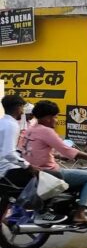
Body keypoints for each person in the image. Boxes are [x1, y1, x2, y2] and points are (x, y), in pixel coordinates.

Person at [22, 100, 87, 224]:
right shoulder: (47, 131)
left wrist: (58, 156)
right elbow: (68, 150)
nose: (56, 120)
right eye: (55, 117)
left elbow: (33, 150)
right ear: (47, 118)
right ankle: (80, 213)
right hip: (49, 173)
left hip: (34, 171)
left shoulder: (30, 129)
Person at [0, 95, 65, 225]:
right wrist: (27, 166)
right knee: (54, 176)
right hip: (8, 169)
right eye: (22, 108)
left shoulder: (3, 122)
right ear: (18, 108)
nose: (23, 112)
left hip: (5, 168)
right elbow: (9, 153)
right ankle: (42, 213)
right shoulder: (12, 125)